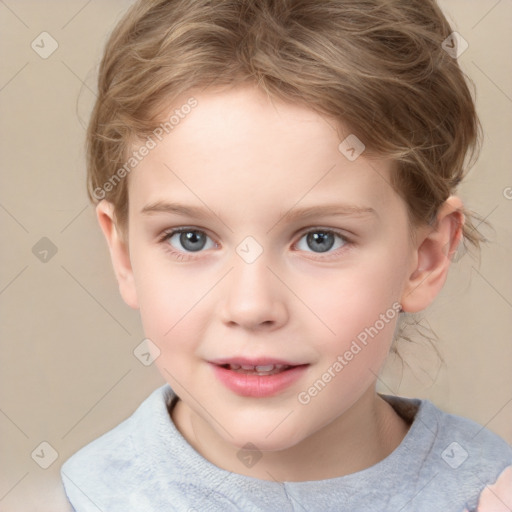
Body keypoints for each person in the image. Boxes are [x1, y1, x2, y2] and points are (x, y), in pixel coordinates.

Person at [61, 0, 512, 510]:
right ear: (124, 256)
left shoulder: (486, 487)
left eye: (321, 239)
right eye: (191, 238)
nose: (251, 307)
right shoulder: (82, 499)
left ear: (425, 258)